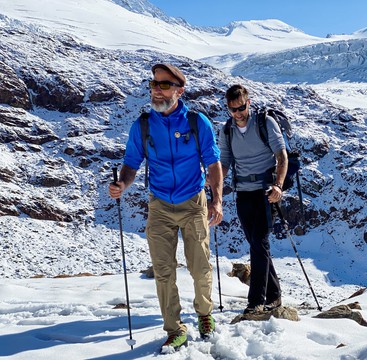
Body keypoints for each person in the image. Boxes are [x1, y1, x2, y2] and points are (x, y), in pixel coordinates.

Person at [109, 63, 223, 353]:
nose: (156, 90)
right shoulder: (144, 125)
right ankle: (174, 329)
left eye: (163, 85)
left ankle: (204, 314)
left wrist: (217, 199)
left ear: (179, 90)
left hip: (193, 202)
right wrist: (122, 184)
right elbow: (132, 163)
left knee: (199, 267)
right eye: (153, 85)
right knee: (163, 271)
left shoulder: (197, 123)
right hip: (159, 205)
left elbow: (212, 163)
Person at [219, 84, 288, 314]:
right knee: (257, 245)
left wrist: (278, 186)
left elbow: (281, 156)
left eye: (240, 107)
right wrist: (214, 187)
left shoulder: (265, 123)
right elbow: (225, 163)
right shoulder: (227, 130)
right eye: (232, 109)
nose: (237, 113)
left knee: (259, 242)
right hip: (243, 193)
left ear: (248, 103)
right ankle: (275, 295)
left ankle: (256, 301)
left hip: (266, 191)